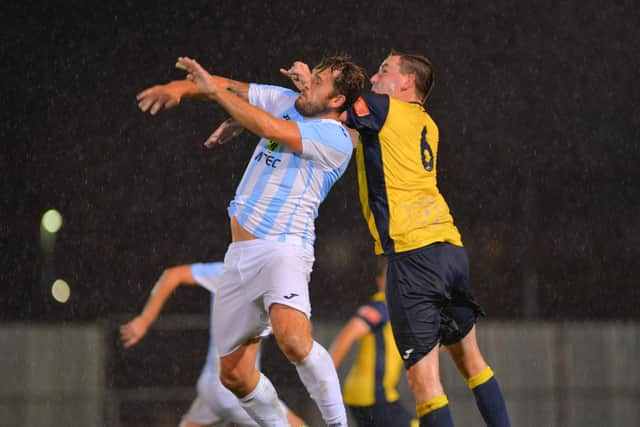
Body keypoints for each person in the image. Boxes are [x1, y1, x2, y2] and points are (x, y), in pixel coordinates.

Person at [219, 53, 512, 427]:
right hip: (450, 247)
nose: (374, 77)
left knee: (424, 382)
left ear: (407, 82)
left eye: (385, 71)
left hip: (412, 256)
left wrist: (305, 87)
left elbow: (326, 108)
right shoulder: (427, 125)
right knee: (473, 363)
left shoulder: (380, 107)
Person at [137, 55, 366, 427]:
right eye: (312, 75)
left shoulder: (336, 137)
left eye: (319, 81)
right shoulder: (287, 101)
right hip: (239, 255)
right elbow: (228, 85)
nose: (307, 82)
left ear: (337, 101)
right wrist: (179, 89)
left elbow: (269, 128)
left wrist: (220, 98)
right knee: (234, 375)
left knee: (292, 339)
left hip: (284, 248)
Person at [120, 262, 308, 427]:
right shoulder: (271, 286)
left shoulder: (224, 272)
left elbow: (172, 275)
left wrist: (145, 320)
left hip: (211, 387)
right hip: (239, 391)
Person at [330, 258, 417, 427]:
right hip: (372, 394)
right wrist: (325, 377)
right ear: (379, 282)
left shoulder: (399, 312)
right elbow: (346, 335)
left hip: (367, 394)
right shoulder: (381, 308)